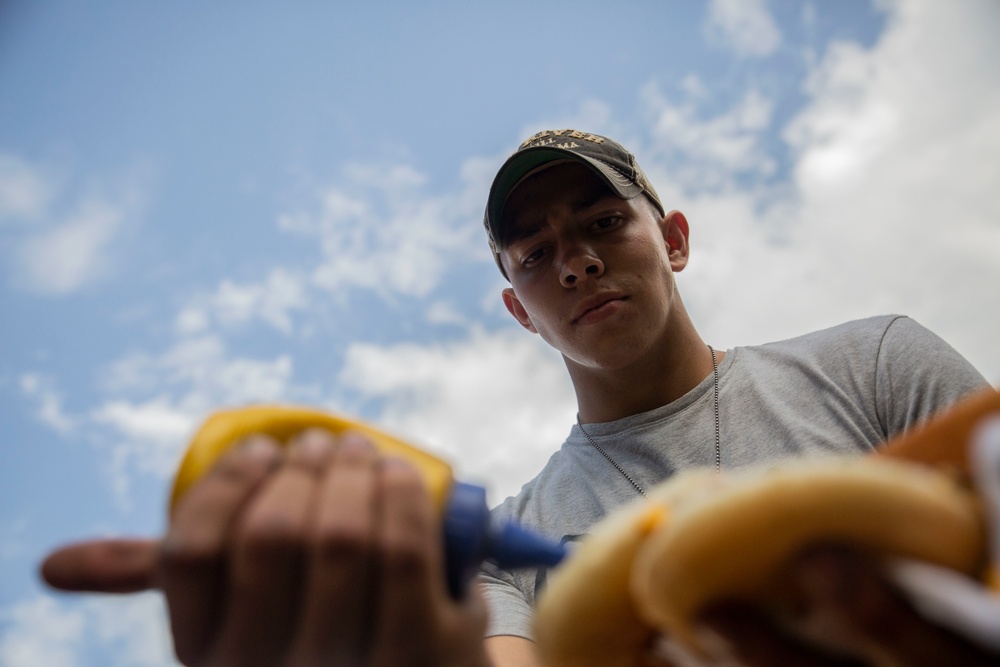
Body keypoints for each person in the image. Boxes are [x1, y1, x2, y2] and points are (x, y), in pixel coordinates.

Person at [41, 129, 995, 666]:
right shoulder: (512, 541)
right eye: (534, 253)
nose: (574, 259)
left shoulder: (875, 363)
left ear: (673, 239)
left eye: (602, 221)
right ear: (517, 308)